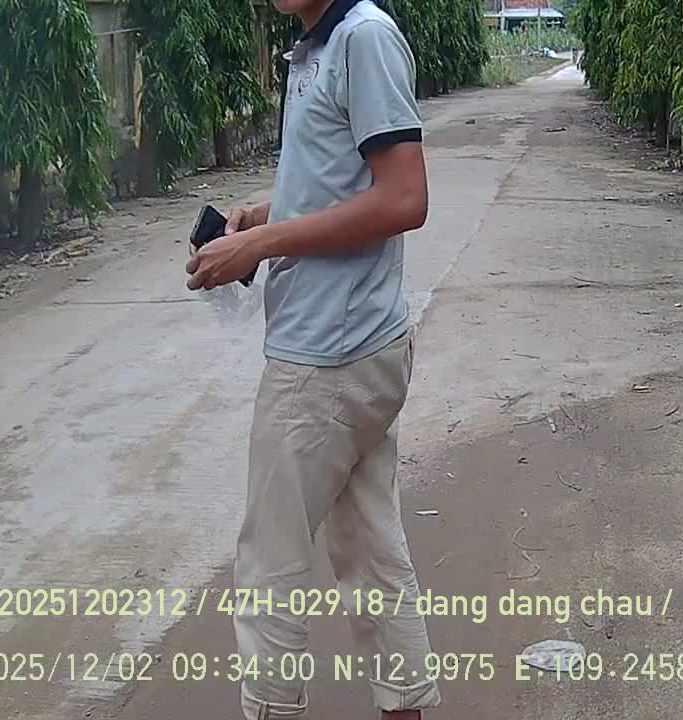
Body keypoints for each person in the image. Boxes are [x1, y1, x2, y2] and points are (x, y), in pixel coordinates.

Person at [185, 0, 438, 718]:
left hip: (325, 360)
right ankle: (405, 704)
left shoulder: (363, 38)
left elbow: (405, 197)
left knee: (269, 567)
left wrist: (261, 246)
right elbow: (339, 179)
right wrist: (263, 216)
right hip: (353, 348)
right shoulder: (317, 47)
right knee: (373, 552)